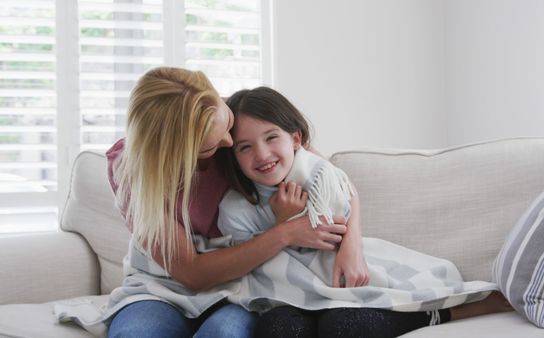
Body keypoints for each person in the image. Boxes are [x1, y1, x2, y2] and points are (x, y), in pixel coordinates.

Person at [217, 86, 513, 338]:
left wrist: (342, 241)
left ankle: (445, 313)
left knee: (344, 326)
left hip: (337, 280)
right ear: (233, 154)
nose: (262, 154)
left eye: (271, 138)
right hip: (283, 296)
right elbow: (247, 267)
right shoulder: (235, 208)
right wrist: (282, 225)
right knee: (279, 329)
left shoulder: (319, 176)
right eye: (245, 147)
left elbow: (333, 226)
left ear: (295, 139)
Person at [104, 67, 350, 338]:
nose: (230, 141)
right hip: (161, 286)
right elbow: (193, 274)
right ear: (176, 151)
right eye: (210, 146)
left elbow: (333, 179)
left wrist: (352, 247)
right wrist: (285, 232)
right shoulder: (131, 171)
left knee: (223, 333)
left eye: (227, 123)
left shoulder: (233, 113)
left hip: (240, 285)